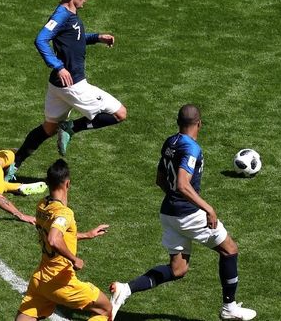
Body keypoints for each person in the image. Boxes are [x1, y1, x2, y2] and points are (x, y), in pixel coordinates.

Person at [109, 104, 257, 320]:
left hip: (169, 213)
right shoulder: (191, 148)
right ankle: (229, 308)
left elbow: (160, 179)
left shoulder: (170, 142)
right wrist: (208, 208)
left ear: (178, 122)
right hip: (188, 214)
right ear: (199, 123)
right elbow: (182, 184)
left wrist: (174, 199)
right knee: (229, 250)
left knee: (178, 269)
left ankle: (126, 289)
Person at [6, 0, 127, 181]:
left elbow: (75, 39)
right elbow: (41, 40)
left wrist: (97, 38)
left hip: (57, 87)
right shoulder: (61, 16)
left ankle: (13, 167)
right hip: (74, 85)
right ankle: (72, 127)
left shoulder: (70, 15)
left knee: (47, 129)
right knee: (120, 114)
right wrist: (59, 66)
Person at [15, 159, 112, 321]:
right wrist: (74, 259)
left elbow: (53, 233)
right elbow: (53, 239)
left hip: (40, 280)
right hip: (60, 281)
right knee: (106, 310)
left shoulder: (42, 206)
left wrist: (86, 235)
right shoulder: (64, 213)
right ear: (67, 184)